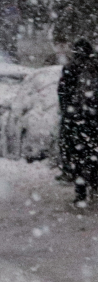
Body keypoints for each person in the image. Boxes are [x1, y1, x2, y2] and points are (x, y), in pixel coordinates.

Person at [58, 39, 98, 203]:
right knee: (94, 155)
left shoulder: (70, 68)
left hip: (76, 121)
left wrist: (68, 114)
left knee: (77, 156)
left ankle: (80, 192)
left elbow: (62, 93)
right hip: (94, 121)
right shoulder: (95, 67)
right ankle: (95, 187)